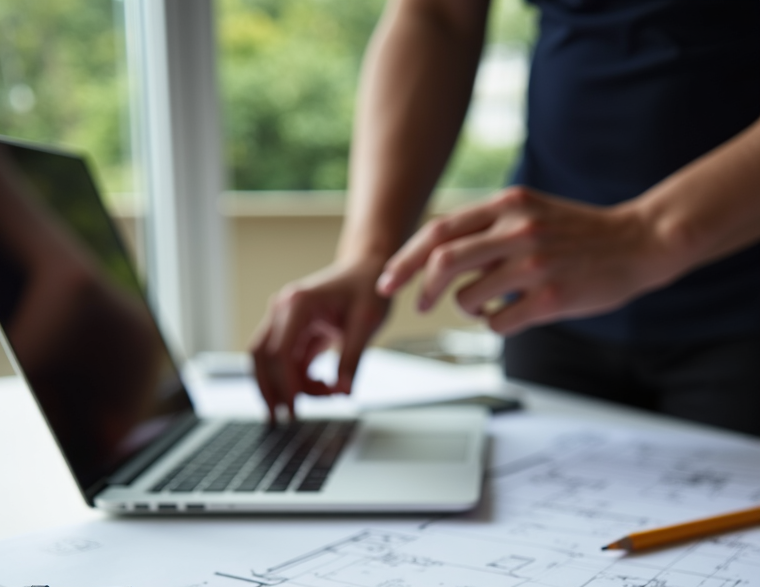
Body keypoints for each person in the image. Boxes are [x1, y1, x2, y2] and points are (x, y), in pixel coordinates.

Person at [251, 0, 760, 434]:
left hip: (743, 309)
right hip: (548, 301)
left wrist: (649, 234)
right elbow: (440, 14)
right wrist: (369, 254)